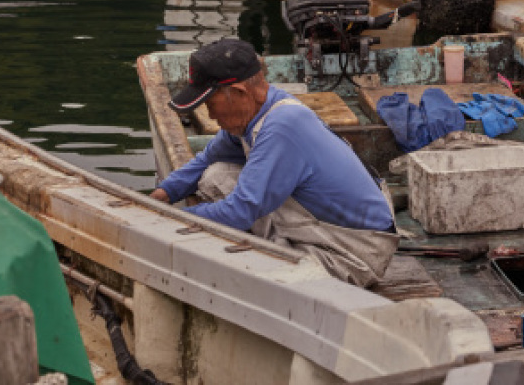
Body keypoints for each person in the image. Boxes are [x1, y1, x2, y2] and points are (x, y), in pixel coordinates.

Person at [150, 38, 399, 287]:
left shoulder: (282, 125)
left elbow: (239, 211)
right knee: (215, 175)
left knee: (251, 280)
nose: (211, 115)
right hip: (318, 225)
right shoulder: (252, 115)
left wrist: (170, 221)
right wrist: (162, 195)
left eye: (210, 105)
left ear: (238, 93)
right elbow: (206, 160)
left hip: (354, 250)